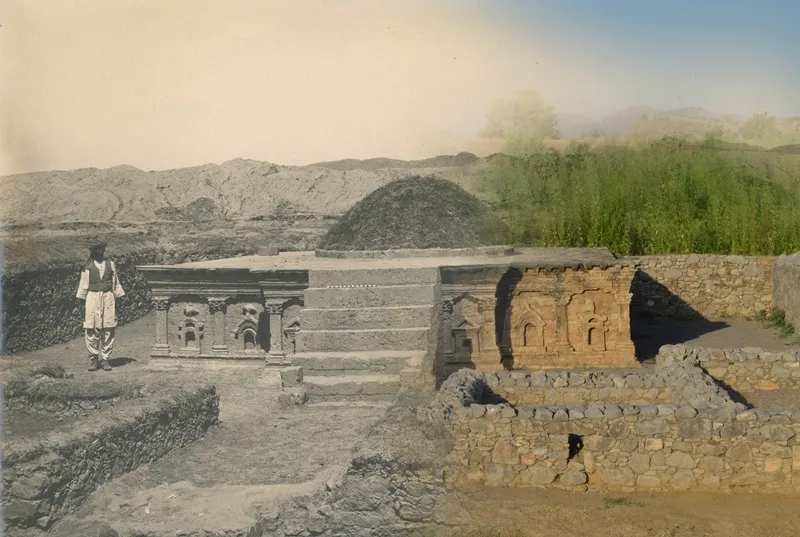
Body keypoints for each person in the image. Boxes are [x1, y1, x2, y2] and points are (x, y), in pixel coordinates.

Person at [76, 236, 125, 371]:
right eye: (97, 250)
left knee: (108, 328)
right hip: (92, 298)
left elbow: (115, 283)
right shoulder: (88, 266)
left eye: (102, 249)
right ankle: (93, 359)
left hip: (108, 298)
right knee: (91, 329)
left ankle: (105, 359)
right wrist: (81, 302)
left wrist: (118, 299)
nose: (100, 252)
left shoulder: (110, 264)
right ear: (93, 250)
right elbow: (83, 285)